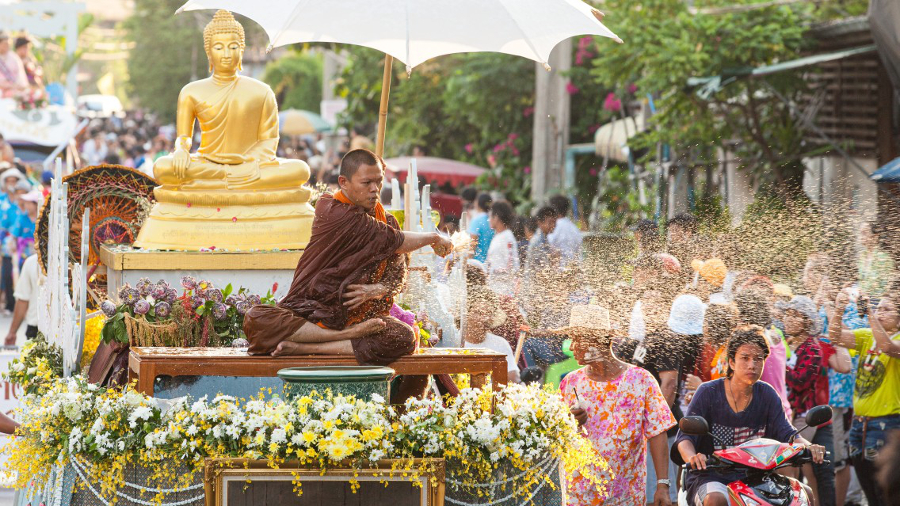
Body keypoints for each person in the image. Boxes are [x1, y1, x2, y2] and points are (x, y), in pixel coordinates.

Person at [242, 149, 451, 397]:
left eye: (378, 182)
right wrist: (434, 237)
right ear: (344, 182)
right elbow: (396, 241)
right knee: (256, 318)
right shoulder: (331, 210)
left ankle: (308, 347)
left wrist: (377, 289)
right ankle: (342, 336)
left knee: (403, 337)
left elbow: (398, 276)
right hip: (310, 312)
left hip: (360, 319)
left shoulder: (387, 221)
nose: (375, 189)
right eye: (366, 183)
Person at [674, 326, 827, 506]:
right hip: (712, 477)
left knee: (804, 493)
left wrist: (811, 447)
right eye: (745, 358)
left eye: (758, 359)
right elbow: (685, 438)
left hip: (757, 478)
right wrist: (693, 457)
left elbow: (788, 433)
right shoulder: (708, 392)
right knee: (716, 499)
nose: (752, 365)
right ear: (731, 362)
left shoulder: (767, 394)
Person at [559, 303, 675, 505]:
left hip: (625, 495)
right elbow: (556, 433)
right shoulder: (571, 381)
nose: (571, 347)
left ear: (598, 340)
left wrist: (662, 485)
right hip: (577, 494)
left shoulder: (640, 380)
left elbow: (657, 432)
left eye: (577, 340)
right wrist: (568, 421)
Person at [829, 283, 900, 505]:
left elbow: (887, 347)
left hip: (887, 427)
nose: (880, 312)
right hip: (860, 427)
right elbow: (835, 337)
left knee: (886, 493)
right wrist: (838, 309)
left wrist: (869, 312)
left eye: (887, 309)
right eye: (878, 308)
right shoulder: (868, 335)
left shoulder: (894, 340)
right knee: (869, 493)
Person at [781, 295, 851, 506]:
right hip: (796, 418)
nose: (788, 319)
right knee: (806, 476)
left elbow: (801, 381)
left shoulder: (812, 348)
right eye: (787, 314)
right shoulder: (787, 345)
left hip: (809, 419)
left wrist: (778, 367)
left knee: (816, 476)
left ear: (807, 322)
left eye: (795, 315)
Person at [464, 262, 519, 383]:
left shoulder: (500, 344)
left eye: (487, 314)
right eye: (478, 313)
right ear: (467, 314)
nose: (483, 319)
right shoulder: (455, 344)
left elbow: (513, 376)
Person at [485, 200, 519, 298]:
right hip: (495, 290)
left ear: (497, 217)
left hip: (503, 292)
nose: (489, 220)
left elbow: (512, 266)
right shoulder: (498, 236)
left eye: (490, 216)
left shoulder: (507, 237)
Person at [5, 253, 40, 345]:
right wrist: (12, 332)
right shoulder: (31, 262)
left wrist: (12, 333)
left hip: (36, 328)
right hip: (36, 328)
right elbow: (23, 299)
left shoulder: (32, 261)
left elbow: (23, 300)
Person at [858, 221, 895, 297]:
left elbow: (887, 287)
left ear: (875, 237)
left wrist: (868, 295)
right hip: (862, 300)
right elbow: (861, 282)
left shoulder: (884, 259)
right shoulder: (862, 256)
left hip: (876, 302)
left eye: (864, 233)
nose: (861, 237)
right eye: (860, 233)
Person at [547, 195, 582, 268]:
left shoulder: (553, 227)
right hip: (573, 271)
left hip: (558, 272)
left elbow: (548, 247)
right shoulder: (574, 228)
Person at [467, 193, 494, 263]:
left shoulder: (476, 220)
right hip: (489, 262)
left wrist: (467, 263)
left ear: (478, 203)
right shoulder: (492, 220)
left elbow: (472, 245)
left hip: (477, 263)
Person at [0, 32, 27, 98]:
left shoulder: (14, 58)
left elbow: (21, 76)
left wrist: (19, 86)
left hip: (15, 92)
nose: (6, 46)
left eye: (8, 44)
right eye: (4, 44)